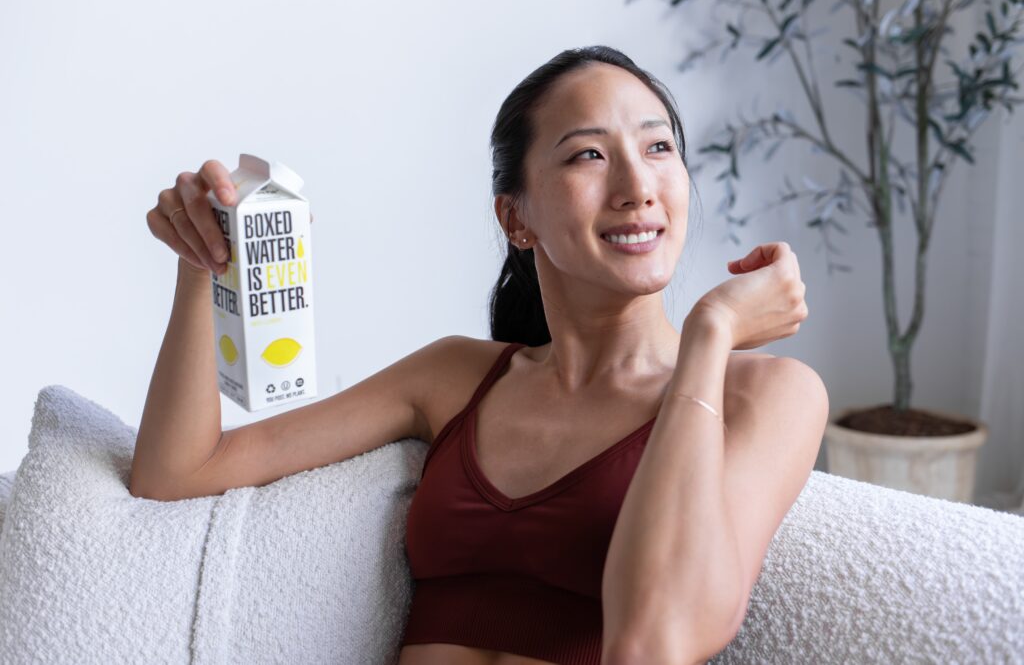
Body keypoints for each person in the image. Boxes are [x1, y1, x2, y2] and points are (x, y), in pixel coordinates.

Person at [131, 45, 817, 665]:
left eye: (660, 147)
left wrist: (710, 332)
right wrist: (204, 265)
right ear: (515, 218)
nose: (638, 185)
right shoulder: (458, 378)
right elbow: (177, 470)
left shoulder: (763, 394)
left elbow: (652, 639)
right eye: (589, 154)